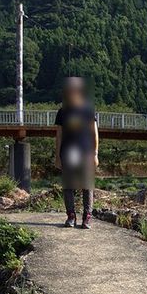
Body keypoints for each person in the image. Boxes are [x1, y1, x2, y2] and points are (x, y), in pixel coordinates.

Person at [54, 77, 99, 229]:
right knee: (68, 185)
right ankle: (71, 216)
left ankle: (87, 217)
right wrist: (57, 156)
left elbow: (94, 132)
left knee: (87, 185)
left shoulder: (88, 109)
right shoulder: (62, 112)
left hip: (85, 151)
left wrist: (95, 153)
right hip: (68, 152)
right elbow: (59, 135)